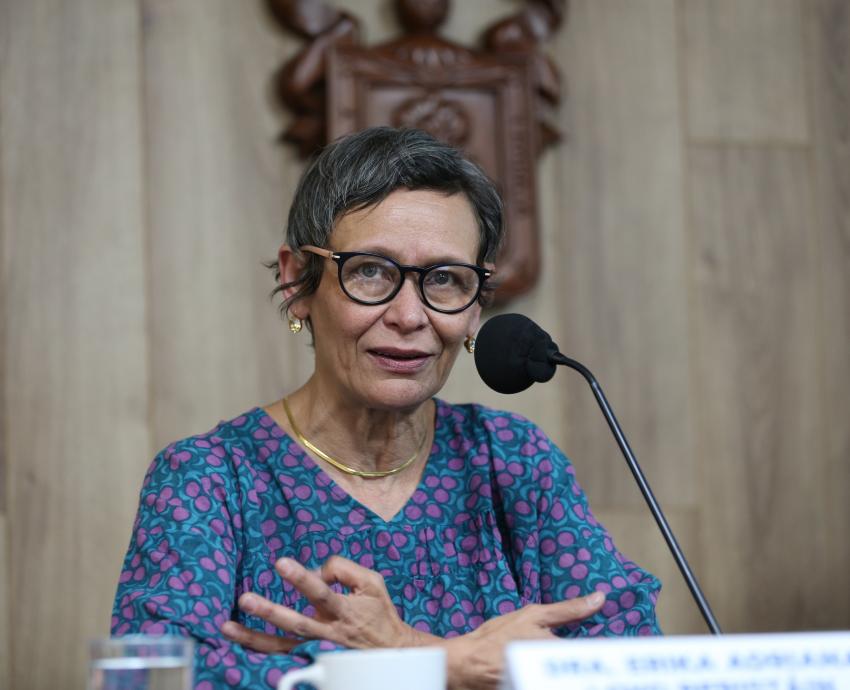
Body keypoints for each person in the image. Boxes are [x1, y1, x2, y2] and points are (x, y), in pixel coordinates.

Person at [112, 127, 661, 690]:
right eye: (371, 271)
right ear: (298, 280)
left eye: (445, 279)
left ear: (475, 308)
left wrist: (410, 651)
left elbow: (638, 666)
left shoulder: (513, 461)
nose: (408, 315)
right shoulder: (208, 478)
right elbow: (155, 676)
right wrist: (446, 668)